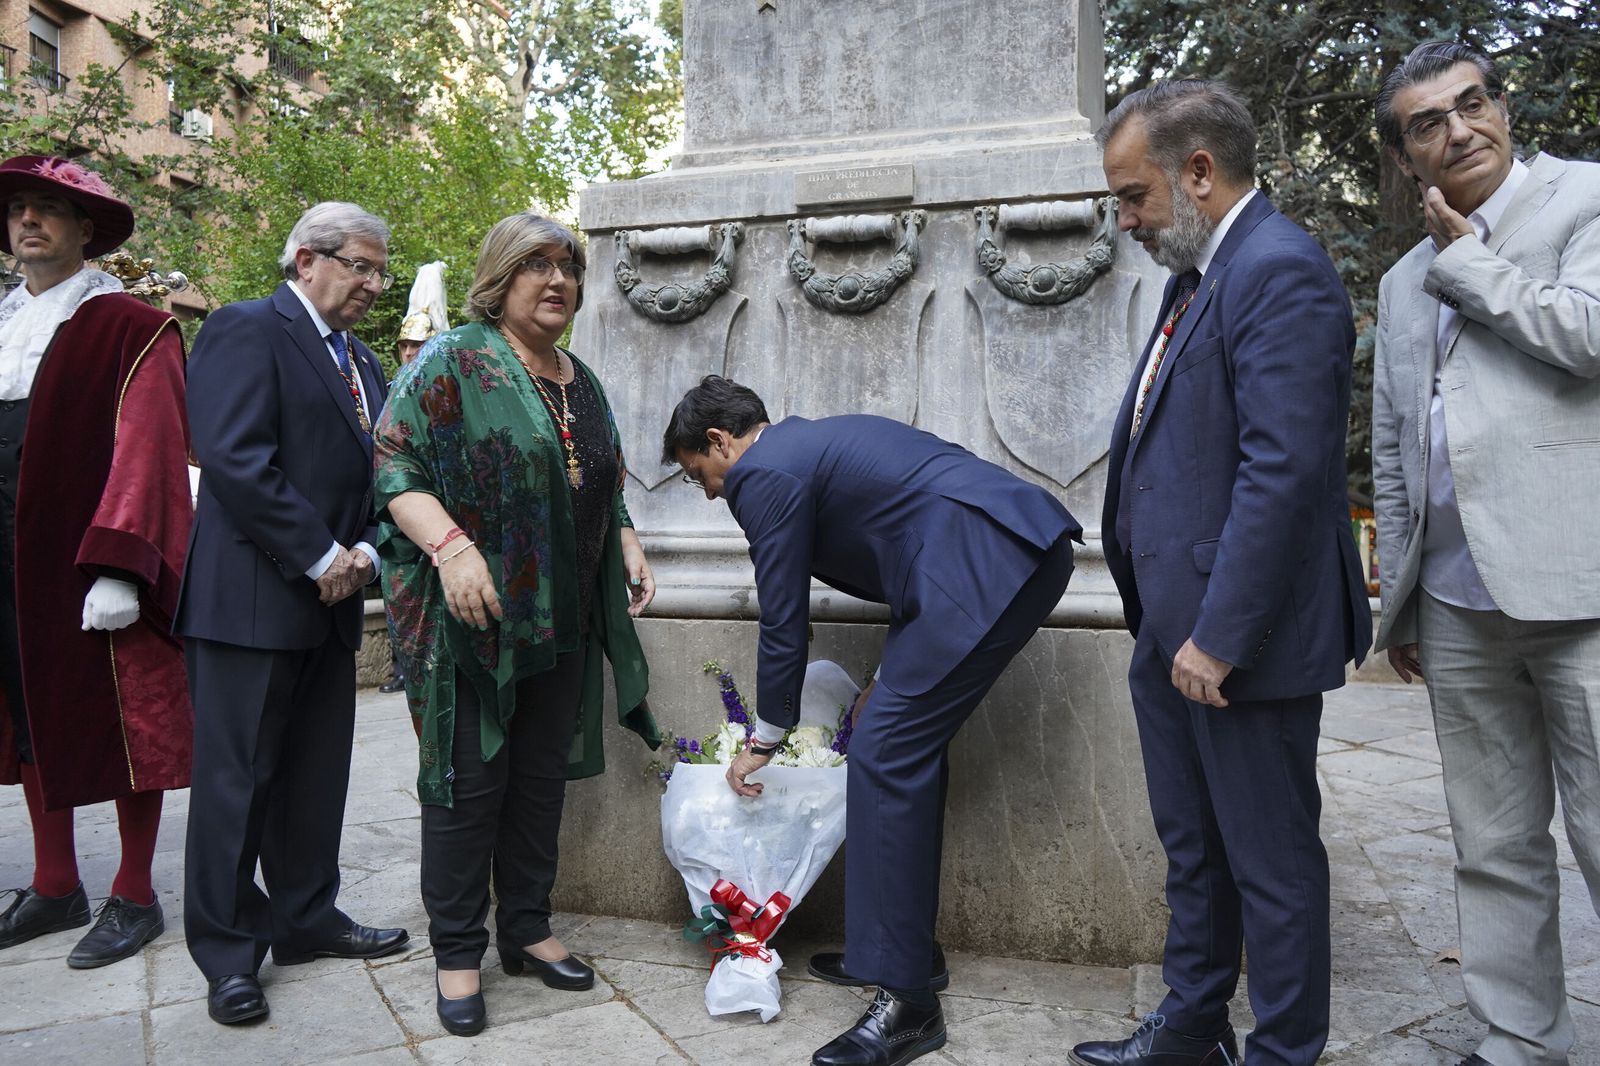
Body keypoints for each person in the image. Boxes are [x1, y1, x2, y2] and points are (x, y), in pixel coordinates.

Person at [1074, 81, 1371, 1066]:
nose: (1123, 220)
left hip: (1241, 642)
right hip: (1173, 629)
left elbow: (1282, 471)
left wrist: (1219, 636)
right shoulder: (1194, 277)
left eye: (1132, 196)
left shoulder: (1279, 268)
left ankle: (1283, 1050)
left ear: (1197, 173)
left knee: (1272, 862)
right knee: (1193, 847)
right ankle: (1191, 1024)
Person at [663, 375, 1080, 1066]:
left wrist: (766, 737)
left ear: (719, 441)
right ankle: (905, 953)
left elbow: (783, 619)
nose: (709, 491)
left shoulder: (763, 472)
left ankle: (908, 1003)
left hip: (989, 564)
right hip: (994, 557)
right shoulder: (807, 448)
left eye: (698, 473)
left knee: (885, 753)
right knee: (901, 744)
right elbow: (912, 537)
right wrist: (884, 677)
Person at [373, 212, 660, 1038]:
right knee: (470, 789)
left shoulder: (580, 375)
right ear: (501, 278)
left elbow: (598, 471)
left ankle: (527, 926)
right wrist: (454, 549)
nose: (558, 280)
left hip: (561, 620)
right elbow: (394, 464)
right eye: (537, 265)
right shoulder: (454, 358)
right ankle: (458, 951)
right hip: (476, 625)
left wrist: (629, 537)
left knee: (538, 784)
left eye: (568, 266)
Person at [1371, 41, 1600, 1066]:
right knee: (1493, 845)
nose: (1460, 129)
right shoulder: (1397, 281)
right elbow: (1393, 440)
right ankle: (1517, 1045)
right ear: (1405, 157)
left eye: (1472, 105)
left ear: (1502, 107)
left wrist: (1469, 260)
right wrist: (1404, 598)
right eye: (1429, 122)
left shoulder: (1583, 202)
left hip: (1583, 585)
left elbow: (1587, 333)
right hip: (1459, 606)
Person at [177, 202, 409, 1026]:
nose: (374, 284)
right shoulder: (244, 328)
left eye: (380, 270)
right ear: (307, 259)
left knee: (316, 777)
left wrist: (369, 556)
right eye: (361, 266)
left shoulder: (366, 363)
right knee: (237, 785)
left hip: (334, 603)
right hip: (248, 601)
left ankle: (308, 919)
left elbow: (387, 477)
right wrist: (320, 556)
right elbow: (236, 456)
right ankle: (229, 952)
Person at [0, 155, 192, 969]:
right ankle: (54, 882)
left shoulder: (131, 326)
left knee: (124, 723)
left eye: (48, 210)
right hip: (7, 558)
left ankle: (136, 894)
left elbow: (151, 448)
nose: (29, 223)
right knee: (29, 713)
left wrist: (121, 563)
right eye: (18, 212)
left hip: (88, 565)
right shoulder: (0, 324)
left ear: (86, 230)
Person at [381, 263, 449, 698]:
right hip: (393, 522)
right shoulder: (388, 388)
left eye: (418, 344)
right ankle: (401, 668)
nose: (409, 352)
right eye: (405, 344)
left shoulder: (446, 393)